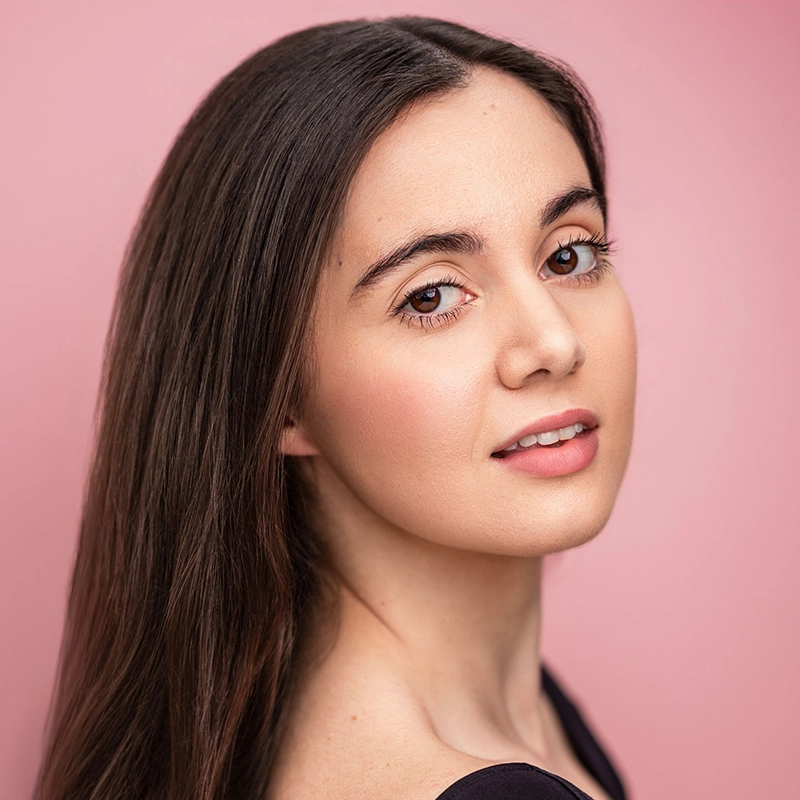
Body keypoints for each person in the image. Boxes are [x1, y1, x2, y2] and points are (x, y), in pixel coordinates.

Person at [35, 16, 636, 800]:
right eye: (431, 296)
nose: (554, 343)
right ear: (281, 398)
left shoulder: (509, 720)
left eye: (569, 254)